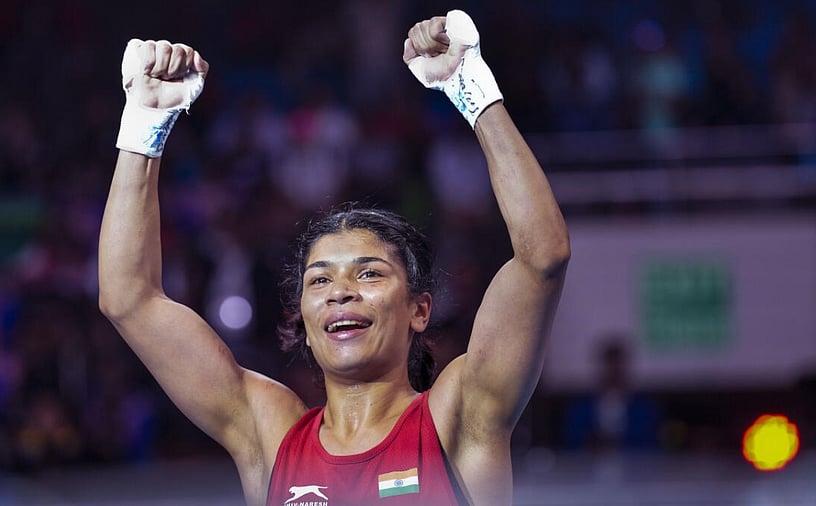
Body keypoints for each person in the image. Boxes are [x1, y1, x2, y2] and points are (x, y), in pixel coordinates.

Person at [99, 10, 569, 506]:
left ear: (419, 309)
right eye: (319, 281)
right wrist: (144, 124)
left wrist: (472, 89)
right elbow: (128, 298)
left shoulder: (460, 416)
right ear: (302, 315)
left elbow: (543, 257)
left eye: (369, 273)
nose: (341, 291)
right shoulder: (270, 435)